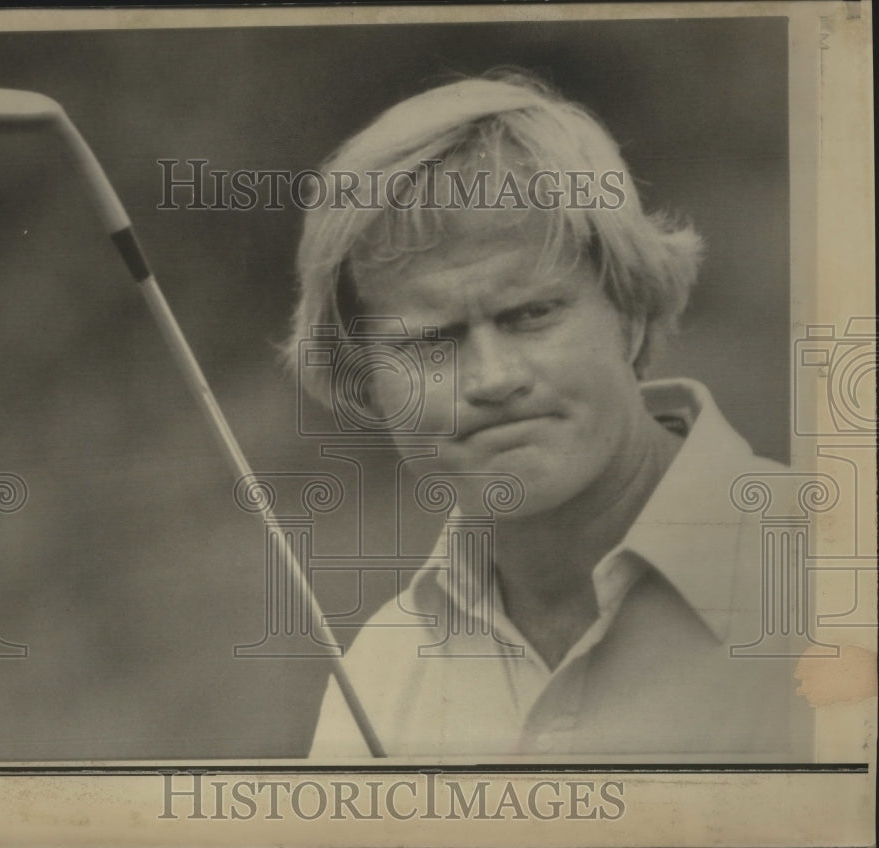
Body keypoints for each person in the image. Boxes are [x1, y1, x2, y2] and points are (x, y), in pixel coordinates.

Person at [286, 71, 812, 759]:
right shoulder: (381, 681)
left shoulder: (835, 580)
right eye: (429, 340)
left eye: (531, 314)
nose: (494, 379)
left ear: (629, 307)